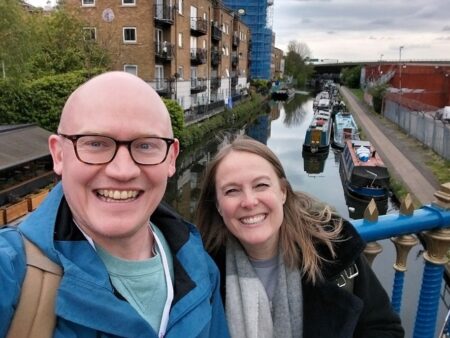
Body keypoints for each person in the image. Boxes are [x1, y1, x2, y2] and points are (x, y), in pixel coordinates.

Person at [0, 71, 229, 338]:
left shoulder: (201, 269)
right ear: (59, 154)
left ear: (171, 158)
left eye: (146, 145)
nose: (123, 171)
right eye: (95, 143)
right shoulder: (11, 272)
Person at [196, 136, 404, 338]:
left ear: (283, 192)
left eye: (261, 185)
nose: (249, 202)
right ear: (218, 206)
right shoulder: (200, 271)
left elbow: (384, 328)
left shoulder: (332, 248)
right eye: (232, 191)